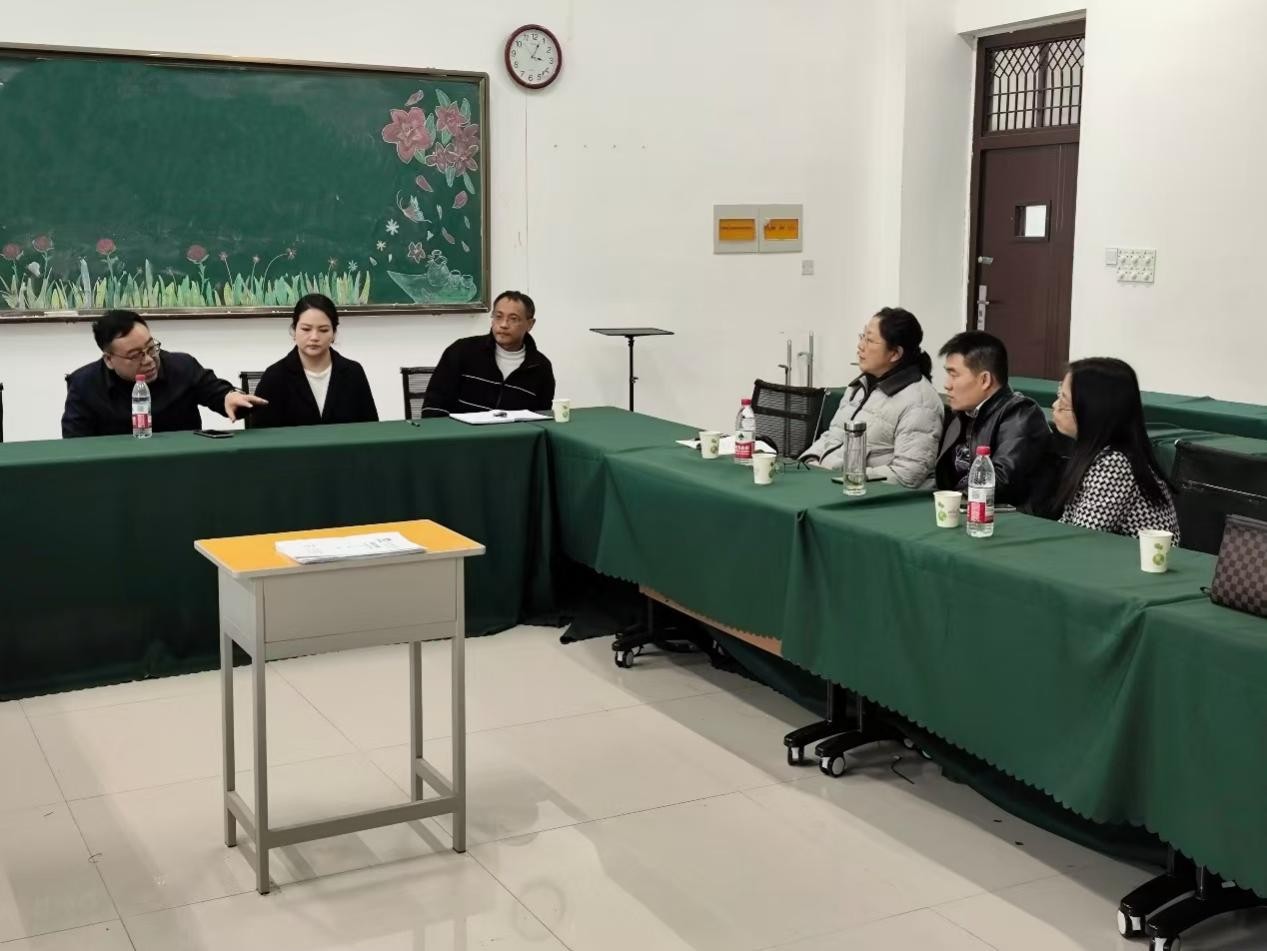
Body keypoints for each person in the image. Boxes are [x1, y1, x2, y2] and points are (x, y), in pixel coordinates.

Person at [800, 307, 945, 487]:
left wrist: (845, 477)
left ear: (895, 353)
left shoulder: (920, 402)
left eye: (869, 340)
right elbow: (833, 436)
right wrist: (809, 462)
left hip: (869, 494)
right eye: (862, 336)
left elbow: (907, 475)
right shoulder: (861, 386)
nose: (860, 346)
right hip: (832, 482)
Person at [62, 310, 265, 438]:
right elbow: (75, 444)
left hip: (182, 469)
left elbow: (216, 392)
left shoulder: (182, 366)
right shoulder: (84, 384)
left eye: (151, 348)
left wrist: (229, 397)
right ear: (109, 359)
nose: (149, 360)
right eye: (136, 355)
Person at [1049, 357, 1178, 538]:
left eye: (1063, 400)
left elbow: (1082, 536)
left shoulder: (1115, 463)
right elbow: (1068, 524)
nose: (1055, 406)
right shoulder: (1097, 453)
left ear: (1093, 409)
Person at [935, 331, 1051, 507]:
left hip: (1000, 516)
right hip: (961, 508)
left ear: (985, 380)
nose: (946, 385)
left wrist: (952, 502)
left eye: (954, 375)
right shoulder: (961, 413)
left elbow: (1001, 481)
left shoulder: (1020, 413)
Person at [252, 294, 378, 428]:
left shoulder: (353, 372)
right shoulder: (274, 376)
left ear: (334, 333)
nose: (314, 337)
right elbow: (262, 435)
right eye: (306, 329)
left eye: (323, 330)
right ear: (294, 331)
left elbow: (371, 428)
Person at [421, 290, 555, 416]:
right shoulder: (462, 351)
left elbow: (541, 419)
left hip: (513, 433)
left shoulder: (541, 367)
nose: (503, 324)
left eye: (513, 319)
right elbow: (433, 408)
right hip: (460, 432)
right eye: (498, 317)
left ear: (530, 324)